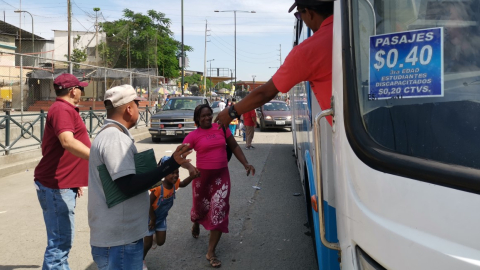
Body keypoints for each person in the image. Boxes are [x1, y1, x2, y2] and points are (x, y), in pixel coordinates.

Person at [88, 85, 196, 270]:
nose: (139, 109)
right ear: (129, 109)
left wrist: (171, 163)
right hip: (120, 239)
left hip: (119, 237)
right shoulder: (115, 138)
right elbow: (128, 185)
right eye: (137, 104)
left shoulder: (112, 135)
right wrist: (167, 167)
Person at [215, 0, 334, 127]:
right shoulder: (353, 30)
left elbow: (265, 92)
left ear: (309, 13)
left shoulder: (307, 51)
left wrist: (231, 112)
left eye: (299, 15)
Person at [184, 104, 255, 268]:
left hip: (221, 178)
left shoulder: (222, 128)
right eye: (203, 116)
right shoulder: (193, 136)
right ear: (197, 119)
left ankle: (211, 251)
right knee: (200, 209)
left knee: (219, 211)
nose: (207, 118)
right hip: (202, 179)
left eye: (209, 114)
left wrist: (246, 163)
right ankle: (196, 221)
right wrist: (190, 168)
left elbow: (234, 146)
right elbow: (180, 155)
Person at [34, 73, 90, 270]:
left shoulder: (64, 109)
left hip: (64, 184)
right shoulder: (61, 109)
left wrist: (76, 180)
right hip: (57, 186)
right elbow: (67, 141)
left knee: (61, 242)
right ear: (73, 90)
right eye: (81, 89)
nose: (82, 93)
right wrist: (97, 157)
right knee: (59, 245)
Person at [143, 156, 200, 269]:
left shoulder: (174, 184)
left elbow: (183, 183)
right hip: (150, 219)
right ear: (164, 174)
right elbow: (147, 204)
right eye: (171, 173)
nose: (175, 175)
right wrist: (153, 218)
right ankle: (140, 260)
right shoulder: (158, 188)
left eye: (177, 172)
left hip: (161, 218)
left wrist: (192, 177)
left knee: (160, 242)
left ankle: (153, 238)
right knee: (147, 244)